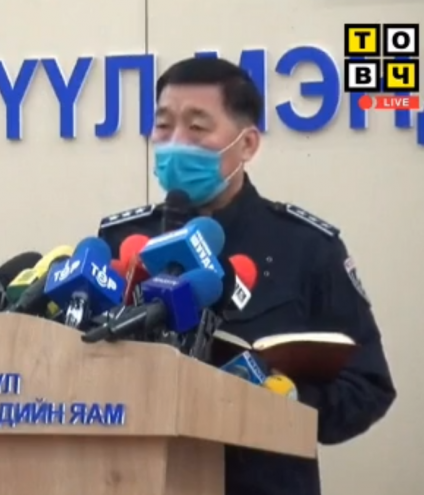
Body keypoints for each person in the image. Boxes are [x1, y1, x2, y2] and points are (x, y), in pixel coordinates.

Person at [97, 57, 396, 495]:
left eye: (197, 128)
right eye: (163, 126)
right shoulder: (122, 240)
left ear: (247, 144)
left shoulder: (306, 247)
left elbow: (367, 387)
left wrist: (283, 403)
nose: (176, 142)